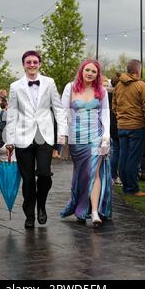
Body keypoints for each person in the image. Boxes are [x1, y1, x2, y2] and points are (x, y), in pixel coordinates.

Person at [5, 50, 67, 229]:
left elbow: (58, 109)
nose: (32, 65)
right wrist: (9, 139)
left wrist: (61, 135)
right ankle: (29, 212)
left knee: (45, 175)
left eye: (35, 62)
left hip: (44, 136)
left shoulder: (49, 82)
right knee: (28, 179)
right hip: (22, 136)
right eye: (28, 62)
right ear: (23, 64)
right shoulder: (15, 86)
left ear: (39, 64)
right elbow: (11, 113)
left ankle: (41, 203)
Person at [60, 60, 112, 226]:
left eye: (94, 72)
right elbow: (63, 113)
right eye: (87, 70)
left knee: (94, 172)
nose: (90, 73)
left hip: (96, 136)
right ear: (82, 70)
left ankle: (95, 212)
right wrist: (63, 135)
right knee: (82, 173)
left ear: (98, 75)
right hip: (76, 138)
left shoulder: (101, 91)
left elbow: (105, 115)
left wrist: (106, 135)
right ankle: (81, 208)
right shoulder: (70, 87)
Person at [112, 60, 145, 197]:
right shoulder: (141, 85)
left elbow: (114, 106)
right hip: (137, 126)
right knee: (134, 159)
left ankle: (126, 187)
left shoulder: (118, 86)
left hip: (122, 126)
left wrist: (120, 118)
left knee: (123, 157)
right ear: (138, 71)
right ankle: (133, 188)